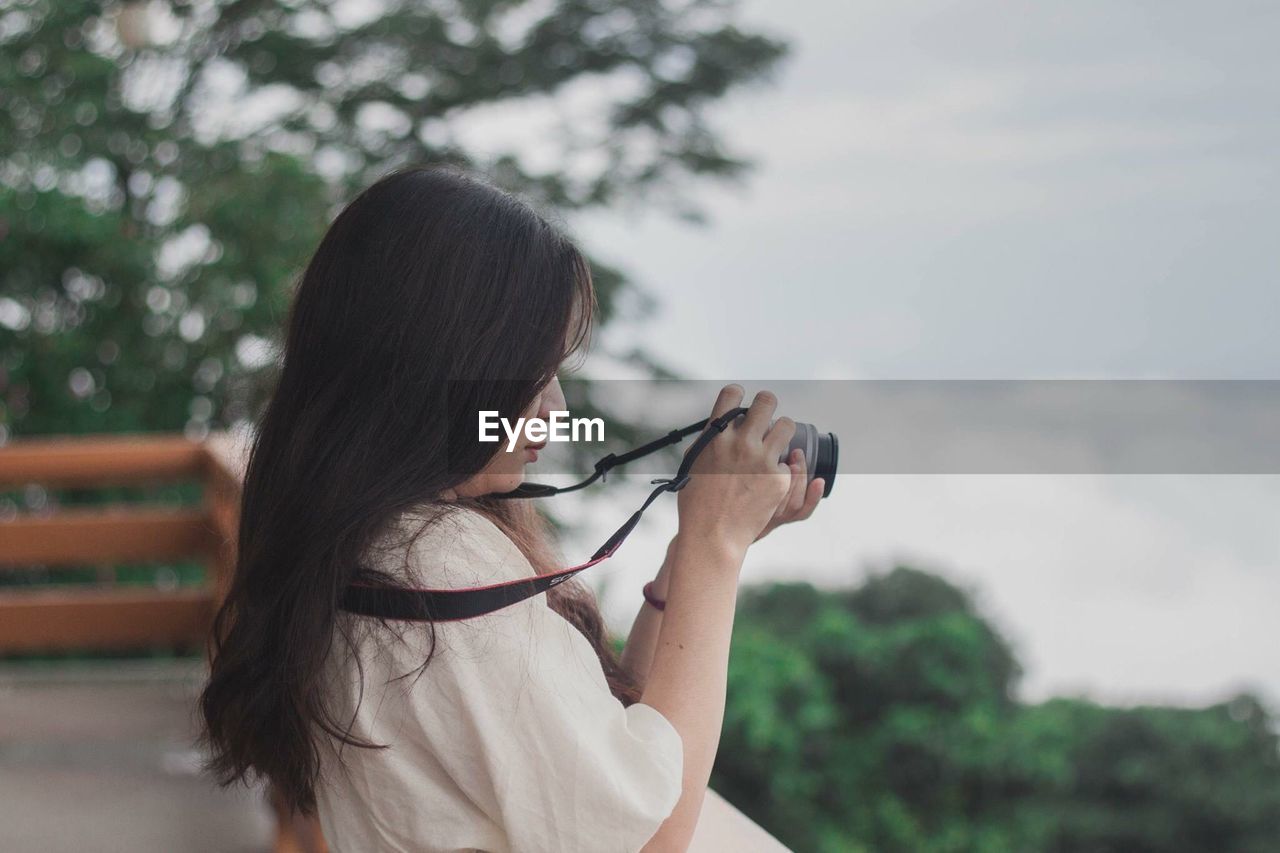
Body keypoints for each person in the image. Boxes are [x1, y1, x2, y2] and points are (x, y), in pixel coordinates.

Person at [198, 165, 825, 852]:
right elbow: (649, 834)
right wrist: (715, 548)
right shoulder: (435, 568)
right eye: (535, 371)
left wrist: (696, 545)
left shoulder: (361, 538)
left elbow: (618, 741)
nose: (554, 408)